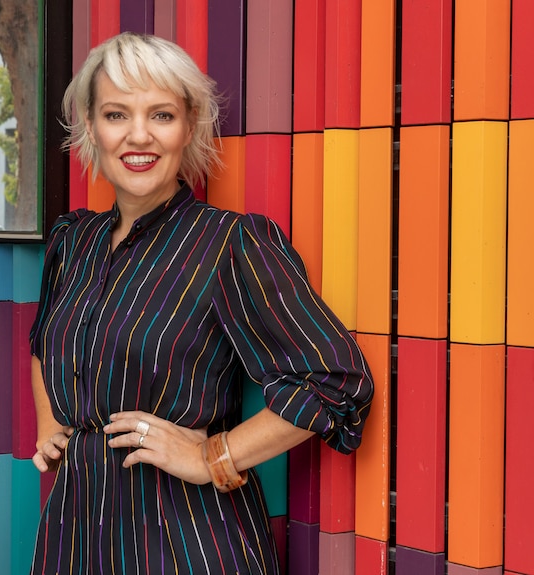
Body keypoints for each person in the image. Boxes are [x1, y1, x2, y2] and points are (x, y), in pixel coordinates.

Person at [29, 32, 373, 574]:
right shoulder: (74, 241)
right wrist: (51, 426)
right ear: (91, 126)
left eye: (161, 115)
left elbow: (334, 382)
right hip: (78, 533)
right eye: (117, 114)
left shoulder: (230, 246)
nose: (138, 136)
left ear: (188, 127)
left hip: (187, 540)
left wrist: (211, 456)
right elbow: (44, 341)